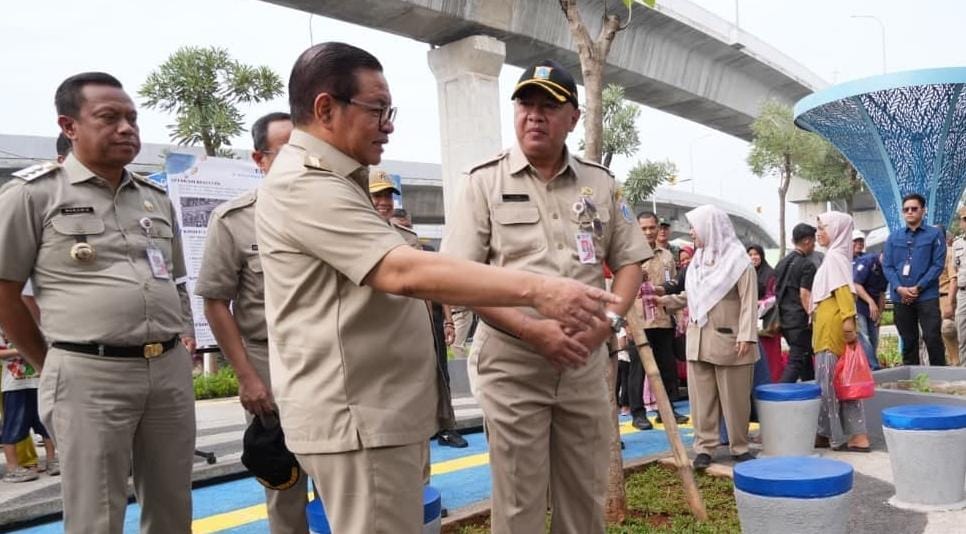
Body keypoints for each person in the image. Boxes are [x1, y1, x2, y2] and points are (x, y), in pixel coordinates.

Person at [254, 43, 620, 534]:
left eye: (390, 111)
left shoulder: (342, 181)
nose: (389, 124)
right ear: (326, 109)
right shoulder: (306, 183)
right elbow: (403, 271)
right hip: (360, 414)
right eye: (378, 110)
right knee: (517, 501)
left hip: (379, 412)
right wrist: (538, 292)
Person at [442, 58, 650, 534]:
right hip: (513, 365)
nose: (534, 115)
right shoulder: (483, 182)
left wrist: (609, 323)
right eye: (525, 104)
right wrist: (532, 331)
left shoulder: (600, 183)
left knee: (583, 499)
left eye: (549, 106)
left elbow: (631, 261)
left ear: (573, 118)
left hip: (584, 363)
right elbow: (459, 277)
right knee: (519, 505)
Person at [0, 72, 196, 533]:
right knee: (95, 512)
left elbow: (177, 278)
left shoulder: (155, 198)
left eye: (132, 118)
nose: (127, 128)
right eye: (109, 118)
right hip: (88, 372)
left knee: (172, 503)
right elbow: (4, 289)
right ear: (69, 126)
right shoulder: (33, 193)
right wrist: (49, 363)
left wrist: (182, 334)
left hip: (166, 368)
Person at [196, 111, 310, 534]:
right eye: (285, 150)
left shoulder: (333, 209)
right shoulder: (234, 220)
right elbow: (215, 304)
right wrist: (246, 377)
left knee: (343, 477)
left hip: (329, 359)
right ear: (258, 159)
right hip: (269, 360)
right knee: (284, 479)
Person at [371, 179, 467, 449]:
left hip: (417, 324)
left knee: (433, 377)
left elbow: (432, 286)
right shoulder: (353, 235)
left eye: (388, 196)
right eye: (377, 196)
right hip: (377, 329)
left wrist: (443, 322)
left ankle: (443, 427)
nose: (384, 202)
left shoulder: (410, 240)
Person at [661, 205, 757, 470]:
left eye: (695, 226)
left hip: (731, 341)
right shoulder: (698, 263)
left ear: (711, 228)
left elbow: (749, 301)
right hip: (698, 339)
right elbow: (695, 297)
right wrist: (665, 301)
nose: (691, 232)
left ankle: (739, 446)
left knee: (735, 399)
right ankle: (704, 448)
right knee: (701, 400)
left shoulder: (738, 262)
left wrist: (747, 336)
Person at [811, 212, 870, 452]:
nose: (818, 232)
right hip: (827, 329)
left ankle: (842, 435)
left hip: (831, 332)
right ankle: (829, 433)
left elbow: (844, 293)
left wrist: (848, 323)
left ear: (836, 230)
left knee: (830, 384)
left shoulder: (835, 258)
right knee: (835, 382)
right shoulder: (835, 257)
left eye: (823, 227)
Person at [631, 212, 687, 431]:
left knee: (667, 367)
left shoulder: (666, 256)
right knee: (639, 368)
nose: (648, 232)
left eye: (651, 227)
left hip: (663, 319)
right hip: (638, 321)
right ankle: (638, 412)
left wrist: (679, 316)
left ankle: (667, 410)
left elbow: (674, 285)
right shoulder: (629, 255)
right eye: (643, 228)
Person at [883, 193, 947, 366]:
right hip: (901, 296)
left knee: (932, 336)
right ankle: (911, 381)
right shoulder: (893, 237)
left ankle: (940, 378)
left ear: (923, 211)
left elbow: (937, 265)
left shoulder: (934, 235)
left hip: (926, 295)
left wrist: (918, 287)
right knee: (908, 340)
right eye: (906, 209)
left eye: (914, 209)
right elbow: (887, 266)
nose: (910, 212)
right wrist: (899, 288)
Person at [0, 329, 57, 482]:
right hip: (14, 385)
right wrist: (21, 350)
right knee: (13, 425)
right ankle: (12, 468)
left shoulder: (34, 325)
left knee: (44, 421)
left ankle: (52, 460)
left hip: (38, 382)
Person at [774, 223, 819, 382]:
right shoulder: (807, 265)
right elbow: (805, 294)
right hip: (799, 320)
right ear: (807, 241)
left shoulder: (782, 263)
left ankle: (811, 392)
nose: (814, 245)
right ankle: (778, 398)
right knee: (796, 361)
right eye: (813, 241)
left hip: (784, 320)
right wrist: (813, 317)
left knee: (806, 359)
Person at [851, 230, 887, 369]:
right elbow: (856, 284)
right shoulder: (866, 262)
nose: (859, 244)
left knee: (874, 337)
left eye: (861, 241)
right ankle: (872, 366)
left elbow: (882, 293)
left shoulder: (884, 267)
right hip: (858, 305)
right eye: (856, 241)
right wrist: (871, 302)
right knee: (863, 335)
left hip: (872, 307)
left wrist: (880, 313)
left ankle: (870, 364)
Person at [748, 244, 783, 381]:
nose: (753, 257)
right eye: (750, 255)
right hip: (751, 321)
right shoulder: (745, 273)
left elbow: (774, 296)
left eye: (756, 254)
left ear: (762, 255)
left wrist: (758, 303)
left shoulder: (770, 273)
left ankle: (773, 384)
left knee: (770, 356)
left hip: (767, 323)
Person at [939, 228, 959, 365]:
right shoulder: (931, 254)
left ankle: (957, 364)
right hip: (933, 299)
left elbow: (954, 279)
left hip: (947, 297)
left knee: (948, 329)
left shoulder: (949, 253)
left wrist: (950, 303)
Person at [951, 206, 966, 366]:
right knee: (962, 333)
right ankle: (964, 373)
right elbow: (956, 270)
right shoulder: (957, 244)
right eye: (965, 220)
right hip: (963, 293)